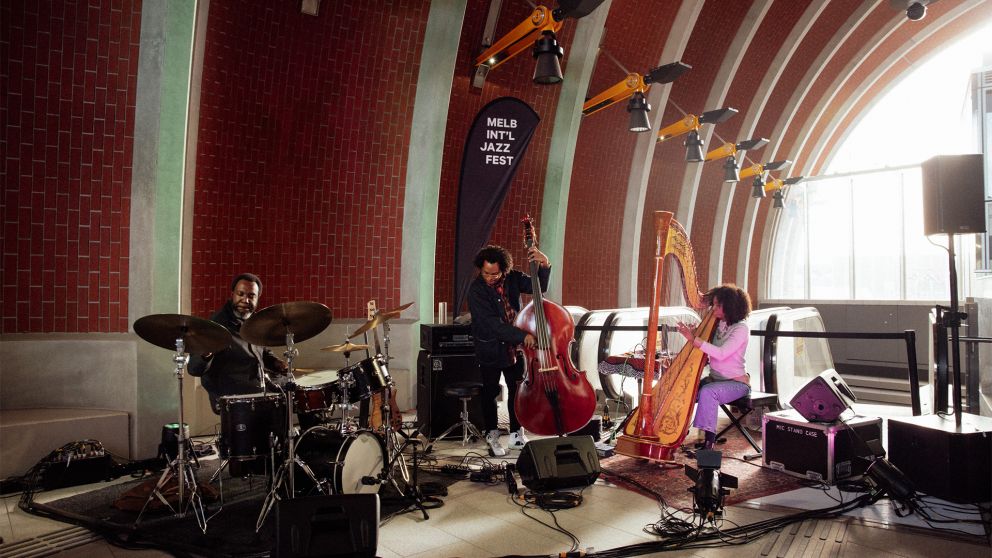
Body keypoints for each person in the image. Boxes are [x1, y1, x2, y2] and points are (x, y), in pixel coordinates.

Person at [467, 244, 550, 457]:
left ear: (504, 270)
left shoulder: (512, 277)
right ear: (481, 269)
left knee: (517, 391)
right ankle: (492, 435)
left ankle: (516, 434)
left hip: (514, 348)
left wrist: (544, 263)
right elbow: (493, 325)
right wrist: (523, 336)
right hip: (490, 347)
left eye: (495, 273)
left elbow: (538, 287)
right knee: (490, 392)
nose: (491, 277)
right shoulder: (476, 291)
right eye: (486, 273)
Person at [189, 273, 288, 414]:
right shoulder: (215, 326)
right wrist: (205, 355)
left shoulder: (255, 322)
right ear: (232, 295)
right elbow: (193, 369)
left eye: (251, 296)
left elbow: (262, 352)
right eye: (240, 294)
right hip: (233, 394)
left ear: (257, 298)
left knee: (292, 387)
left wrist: (275, 362)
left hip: (257, 385)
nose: (245, 300)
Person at [676, 284, 752, 450]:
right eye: (714, 304)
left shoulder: (741, 329)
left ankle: (709, 443)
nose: (713, 309)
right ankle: (674, 432)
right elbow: (703, 343)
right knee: (685, 389)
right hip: (714, 379)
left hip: (736, 383)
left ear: (730, 306)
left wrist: (693, 339)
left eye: (718, 305)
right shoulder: (718, 325)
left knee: (708, 392)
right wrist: (692, 332)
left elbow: (722, 353)